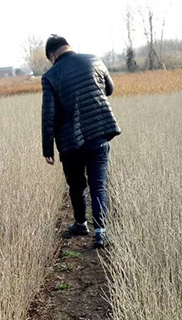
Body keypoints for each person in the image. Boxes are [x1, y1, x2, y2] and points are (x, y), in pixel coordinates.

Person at [41, 35, 120, 249]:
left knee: (76, 186)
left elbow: (49, 115)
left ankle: (80, 224)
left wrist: (47, 148)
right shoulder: (94, 60)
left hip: (70, 142)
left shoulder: (50, 76)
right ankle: (101, 232)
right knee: (98, 185)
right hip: (99, 134)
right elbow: (109, 89)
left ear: (52, 55)